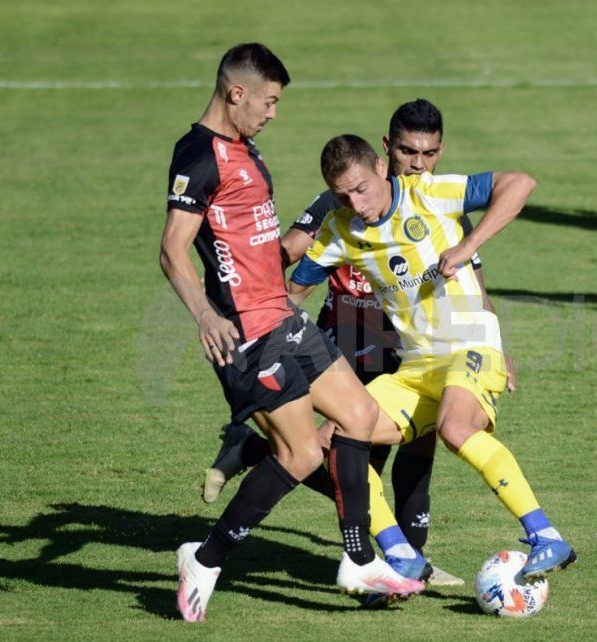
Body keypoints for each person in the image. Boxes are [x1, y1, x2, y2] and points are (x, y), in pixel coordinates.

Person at [159, 44, 423, 623]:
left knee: (361, 420)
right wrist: (206, 315)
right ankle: (205, 560)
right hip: (248, 333)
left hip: (283, 315)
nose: (273, 112)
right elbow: (173, 248)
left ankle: (356, 561)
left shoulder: (242, 147)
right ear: (237, 93)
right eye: (269, 101)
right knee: (302, 453)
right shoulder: (200, 154)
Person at [205, 100, 514, 591]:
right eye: (409, 152)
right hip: (350, 334)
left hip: (418, 341)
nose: (419, 163)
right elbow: (289, 253)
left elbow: (473, 281)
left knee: (419, 449)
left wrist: (495, 346)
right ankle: (372, 552)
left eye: (429, 153)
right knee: (345, 450)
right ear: (384, 152)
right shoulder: (342, 200)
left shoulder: (435, 199)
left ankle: (410, 559)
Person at [289, 134, 577, 580]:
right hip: (416, 367)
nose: (356, 204)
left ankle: (546, 536)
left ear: (382, 168)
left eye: (361, 189)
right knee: (340, 443)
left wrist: (467, 246)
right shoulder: (339, 230)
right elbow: (291, 294)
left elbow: (519, 183)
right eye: (342, 195)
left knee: (455, 429)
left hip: (470, 344)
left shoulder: (431, 194)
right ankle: (402, 555)